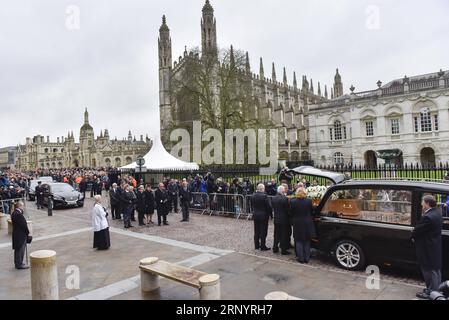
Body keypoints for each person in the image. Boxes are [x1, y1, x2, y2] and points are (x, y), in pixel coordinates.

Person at [412, 195, 443, 299]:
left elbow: (417, 231)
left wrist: (413, 233)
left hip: (427, 248)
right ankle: (435, 290)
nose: (421, 204)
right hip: (434, 246)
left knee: (429, 272)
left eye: (423, 202)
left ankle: (430, 292)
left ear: (427, 204)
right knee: (435, 270)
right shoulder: (437, 213)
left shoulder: (428, 217)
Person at [290, 188, 316, 264]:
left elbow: (291, 212)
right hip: (307, 222)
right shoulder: (308, 201)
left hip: (297, 222)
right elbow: (312, 211)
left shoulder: (293, 201)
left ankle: (301, 258)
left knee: (298, 241)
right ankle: (306, 258)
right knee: (307, 240)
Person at [251, 184, 272, 251]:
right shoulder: (265, 196)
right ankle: (263, 246)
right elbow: (269, 207)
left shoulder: (253, 195)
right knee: (263, 231)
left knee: (256, 231)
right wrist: (271, 215)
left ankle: (256, 246)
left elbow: (252, 204)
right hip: (263, 216)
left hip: (256, 214)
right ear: (262, 189)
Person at [271, 186, 291, 255]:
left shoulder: (273, 198)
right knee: (283, 234)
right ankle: (283, 250)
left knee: (276, 234)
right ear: (282, 191)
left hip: (276, 219)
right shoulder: (285, 199)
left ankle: (275, 248)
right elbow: (287, 210)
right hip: (284, 219)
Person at [11, 202, 30, 269]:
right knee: (20, 250)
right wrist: (28, 232)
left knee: (18, 250)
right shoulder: (18, 214)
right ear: (19, 206)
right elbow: (23, 225)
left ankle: (18, 263)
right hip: (20, 235)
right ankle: (19, 264)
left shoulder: (14, 213)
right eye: (23, 206)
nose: (24, 207)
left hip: (17, 234)